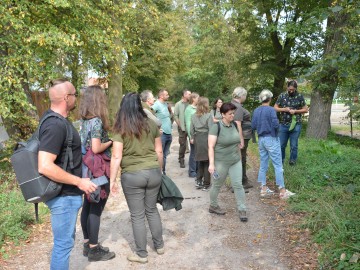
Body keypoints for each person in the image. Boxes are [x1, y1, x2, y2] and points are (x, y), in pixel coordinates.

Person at [38, 79, 97, 270]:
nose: (77, 98)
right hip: (63, 197)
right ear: (66, 97)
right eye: (75, 94)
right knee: (63, 246)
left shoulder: (56, 120)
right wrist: (79, 181)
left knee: (65, 243)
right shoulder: (55, 125)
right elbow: (45, 165)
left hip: (66, 195)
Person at [110, 93, 164, 264]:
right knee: (152, 210)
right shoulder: (151, 123)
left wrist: (112, 180)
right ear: (140, 106)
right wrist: (159, 171)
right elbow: (159, 151)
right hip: (153, 171)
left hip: (132, 175)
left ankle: (141, 254)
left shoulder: (120, 127)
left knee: (137, 215)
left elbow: (116, 156)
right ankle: (160, 245)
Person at [79, 85, 115, 261]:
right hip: (98, 171)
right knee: (96, 207)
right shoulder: (97, 121)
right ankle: (94, 249)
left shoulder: (83, 121)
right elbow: (96, 147)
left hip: (86, 170)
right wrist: (110, 141)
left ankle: (87, 244)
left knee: (87, 204)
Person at [251, 89, 295, 199]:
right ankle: (282, 191)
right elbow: (275, 124)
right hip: (271, 138)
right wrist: (277, 131)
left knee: (263, 164)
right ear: (270, 99)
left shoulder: (256, 110)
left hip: (261, 139)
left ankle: (264, 189)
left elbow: (253, 126)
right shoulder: (271, 110)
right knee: (278, 165)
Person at [208, 102, 248, 222]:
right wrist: (211, 164)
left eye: (233, 113)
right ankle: (213, 206)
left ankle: (242, 209)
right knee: (217, 185)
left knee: (238, 185)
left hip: (235, 160)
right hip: (221, 162)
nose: (233, 115)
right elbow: (210, 146)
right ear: (223, 114)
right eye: (230, 113)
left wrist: (240, 153)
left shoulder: (235, 125)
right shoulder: (216, 127)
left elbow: (238, 141)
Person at [274, 80, 308, 165]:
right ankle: (281, 160)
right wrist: (284, 109)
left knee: (294, 145)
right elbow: (275, 107)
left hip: (296, 124)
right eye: (290, 89)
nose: (291, 91)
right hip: (283, 124)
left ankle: (292, 160)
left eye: (293, 89)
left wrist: (295, 111)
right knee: (281, 145)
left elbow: (305, 109)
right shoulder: (282, 96)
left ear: (296, 88)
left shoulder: (299, 96)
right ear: (287, 87)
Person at [231, 87, 253, 190]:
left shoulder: (232, 104)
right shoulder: (238, 107)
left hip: (237, 135)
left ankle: (242, 180)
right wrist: (241, 139)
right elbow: (238, 123)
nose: (245, 97)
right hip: (241, 135)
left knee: (239, 158)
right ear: (241, 96)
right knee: (241, 158)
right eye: (245, 95)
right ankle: (240, 183)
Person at [190, 97, 212, 191]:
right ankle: (206, 183)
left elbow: (191, 129)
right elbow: (211, 129)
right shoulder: (208, 116)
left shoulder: (193, 116)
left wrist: (192, 137)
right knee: (207, 160)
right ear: (206, 104)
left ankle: (199, 181)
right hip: (206, 137)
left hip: (197, 138)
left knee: (199, 160)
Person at [152, 89, 172, 175]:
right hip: (162, 134)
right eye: (166, 95)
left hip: (168, 133)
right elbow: (149, 115)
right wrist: (156, 128)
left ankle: (163, 171)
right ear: (161, 96)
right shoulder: (156, 105)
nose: (168, 96)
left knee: (164, 155)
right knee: (160, 154)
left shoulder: (165, 104)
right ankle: (160, 172)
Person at [174, 89, 191, 168]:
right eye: (189, 94)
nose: (190, 96)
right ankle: (181, 159)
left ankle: (193, 161)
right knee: (183, 145)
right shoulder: (178, 104)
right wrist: (179, 125)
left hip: (190, 127)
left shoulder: (191, 104)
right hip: (182, 128)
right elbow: (175, 115)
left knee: (193, 143)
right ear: (184, 95)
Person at [184, 92, 199, 178]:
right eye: (198, 98)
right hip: (193, 135)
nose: (199, 99)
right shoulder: (189, 109)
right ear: (193, 99)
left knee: (198, 153)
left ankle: (197, 170)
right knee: (193, 153)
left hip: (199, 134)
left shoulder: (197, 108)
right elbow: (188, 123)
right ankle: (192, 171)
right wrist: (191, 136)